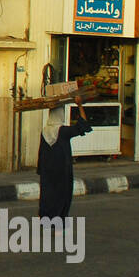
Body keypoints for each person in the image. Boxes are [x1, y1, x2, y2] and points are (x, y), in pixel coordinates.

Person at [37, 94, 92, 222]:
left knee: (47, 195)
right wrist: (79, 105)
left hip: (47, 171)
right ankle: (58, 225)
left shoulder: (45, 131)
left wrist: (41, 170)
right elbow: (83, 125)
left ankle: (45, 219)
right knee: (62, 196)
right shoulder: (63, 131)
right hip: (62, 171)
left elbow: (41, 153)